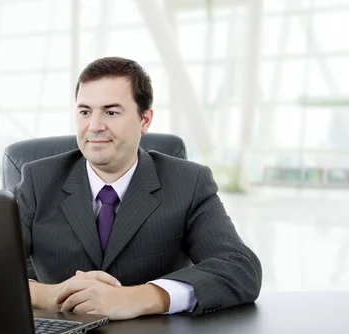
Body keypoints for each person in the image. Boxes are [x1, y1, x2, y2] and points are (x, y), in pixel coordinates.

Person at [14, 56, 261, 320]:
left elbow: (239, 268)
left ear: (145, 120)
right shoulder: (38, 181)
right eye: (85, 111)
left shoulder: (188, 182)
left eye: (111, 112)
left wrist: (137, 298)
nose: (94, 126)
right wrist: (55, 295)